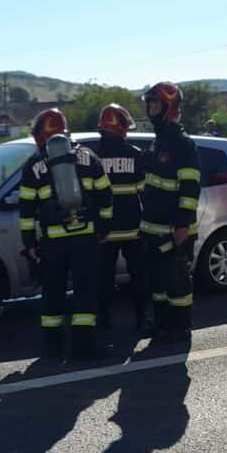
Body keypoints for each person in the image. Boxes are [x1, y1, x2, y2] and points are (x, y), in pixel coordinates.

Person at [19, 109, 113, 359]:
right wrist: (103, 228)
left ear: (40, 135)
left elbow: (26, 210)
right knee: (85, 291)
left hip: (53, 242)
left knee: (53, 292)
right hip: (86, 237)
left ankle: (53, 345)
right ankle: (84, 346)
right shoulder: (88, 156)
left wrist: (29, 242)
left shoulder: (33, 165)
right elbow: (106, 195)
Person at [140, 82, 200, 343]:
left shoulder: (182, 143)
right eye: (149, 103)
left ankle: (180, 328)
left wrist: (183, 225)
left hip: (175, 229)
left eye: (155, 104)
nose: (150, 108)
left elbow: (190, 187)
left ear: (169, 107)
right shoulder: (159, 140)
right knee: (158, 284)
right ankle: (162, 325)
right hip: (154, 227)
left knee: (178, 282)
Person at [94, 103, 148, 330]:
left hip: (103, 231)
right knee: (139, 278)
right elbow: (144, 190)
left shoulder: (92, 157)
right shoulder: (134, 155)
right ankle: (142, 320)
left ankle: (103, 322)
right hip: (132, 229)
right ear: (121, 127)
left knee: (103, 280)